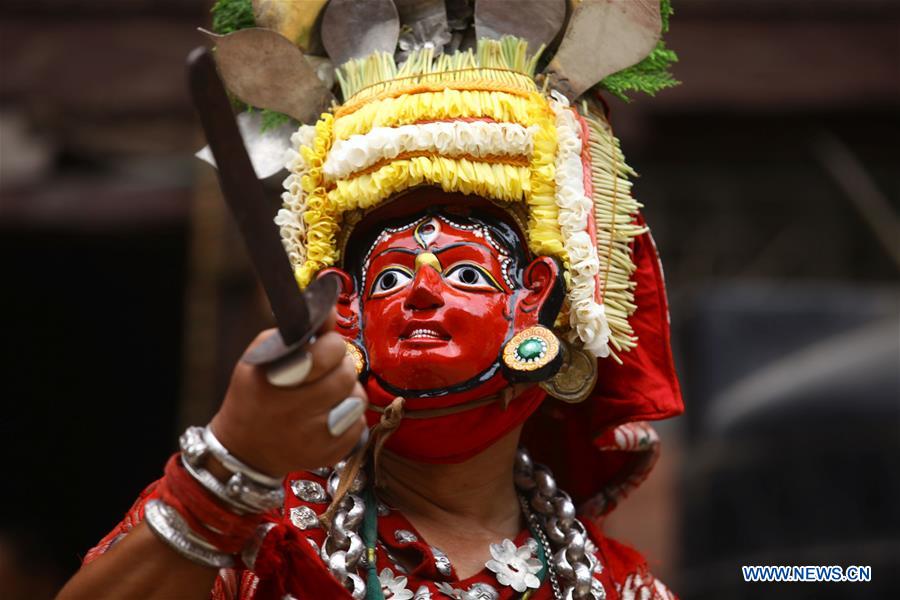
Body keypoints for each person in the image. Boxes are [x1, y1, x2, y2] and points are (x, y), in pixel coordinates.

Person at [58, 1, 683, 598]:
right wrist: (229, 471)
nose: (421, 294)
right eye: (388, 278)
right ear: (348, 313)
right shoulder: (256, 541)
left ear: (536, 298)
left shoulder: (611, 583)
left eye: (466, 275)